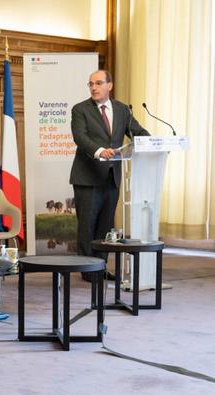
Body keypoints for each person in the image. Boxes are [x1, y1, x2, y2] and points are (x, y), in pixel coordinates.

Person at [70, 70, 149, 279]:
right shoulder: (80, 110)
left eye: (98, 83)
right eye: (90, 84)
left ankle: (100, 268)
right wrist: (99, 151)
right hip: (87, 176)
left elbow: (137, 132)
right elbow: (80, 137)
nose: (94, 87)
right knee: (87, 225)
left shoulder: (123, 110)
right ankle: (87, 270)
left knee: (105, 227)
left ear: (109, 85)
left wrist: (152, 142)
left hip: (112, 176)